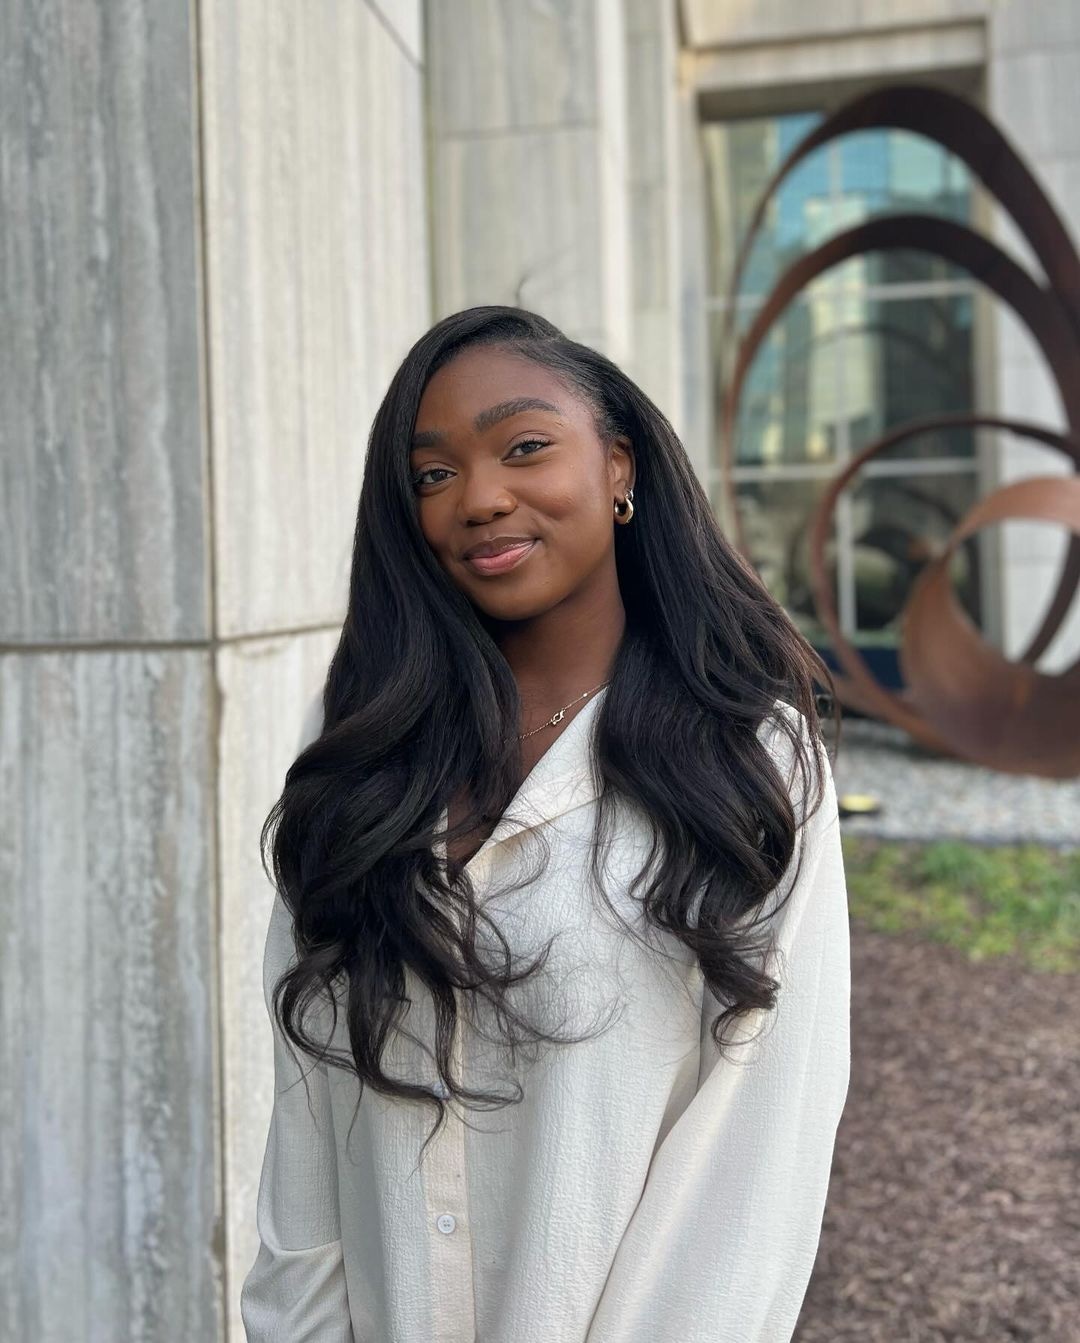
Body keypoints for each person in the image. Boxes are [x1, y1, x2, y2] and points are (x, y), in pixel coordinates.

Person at [240, 305, 851, 1342]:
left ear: (619, 467)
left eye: (525, 447)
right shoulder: (362, 751)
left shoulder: (749, 760)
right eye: (433, 475)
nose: (478, 498)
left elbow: (752, 1163)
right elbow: (309, 1111)